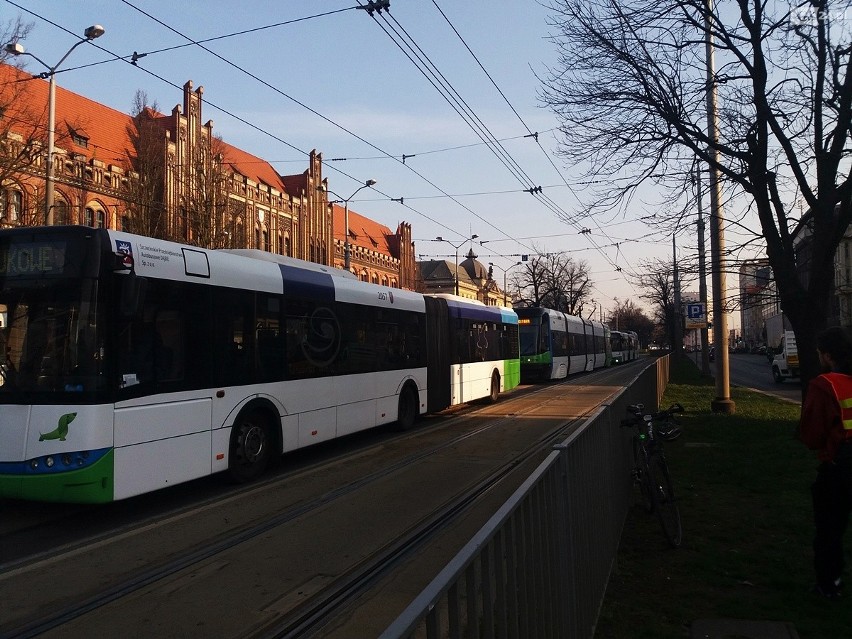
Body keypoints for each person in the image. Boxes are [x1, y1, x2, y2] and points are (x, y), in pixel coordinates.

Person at [798, 326, 852, 600]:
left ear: (828, 355)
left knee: (830, 529)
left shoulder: (825, 385)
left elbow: (812, 434)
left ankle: (829, 585)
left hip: (840, 466)